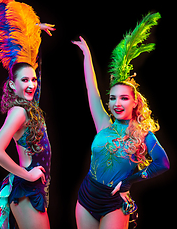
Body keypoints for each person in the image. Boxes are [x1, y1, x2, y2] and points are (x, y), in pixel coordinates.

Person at [71, 12, 170, 229]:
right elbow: (91, 90)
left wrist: (129, 181)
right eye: (113, 98)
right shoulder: (103, 123)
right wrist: (87, 56)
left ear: (135, 102)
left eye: (124, 98)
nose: (117, 103)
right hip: (86, 197)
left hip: (114, 202)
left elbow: (162, 163)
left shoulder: (143, 134)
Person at [0, 0, 55, 229]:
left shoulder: (30, 106)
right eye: (24, 80)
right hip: (27, 189)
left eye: (34, 80)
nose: (31, 84)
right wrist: (27, 175)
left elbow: (31, 63)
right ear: (12, 85)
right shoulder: (18, 111)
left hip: (34, 189)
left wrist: (35, 30)